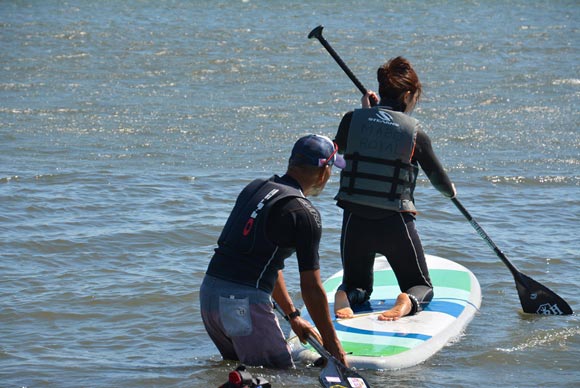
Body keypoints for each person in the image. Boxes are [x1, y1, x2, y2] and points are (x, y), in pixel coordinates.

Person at [200, 134, 348, 369]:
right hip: (242, 304)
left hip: (210, 297)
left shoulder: (256, 188)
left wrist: (293, 316)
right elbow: (311, 287)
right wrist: (333, 345)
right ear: (324, 173)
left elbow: (268, 261)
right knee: (279, 378)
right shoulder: (304, 213)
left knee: (243, 376)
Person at [332, 56, 457, 321]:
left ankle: (346, 294)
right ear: (409, 95)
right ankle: (406, 299)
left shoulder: (351, 120)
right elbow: (440, 182)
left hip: (355, 219)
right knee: (421, 287)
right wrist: (451, 191)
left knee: (359, 286)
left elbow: (338, 154)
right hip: (395, 222)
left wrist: (364, 114)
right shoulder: (415, 134)